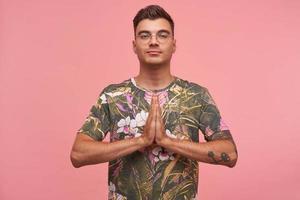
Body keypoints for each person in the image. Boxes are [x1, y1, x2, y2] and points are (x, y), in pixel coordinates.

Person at [70, 4, 238, 200]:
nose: (153, 42)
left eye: (162, 35)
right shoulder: (113, 96)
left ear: (173, 44)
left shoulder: (196, 96)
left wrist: (168, 142)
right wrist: (141, 141)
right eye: (144, 35)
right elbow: (78, 154)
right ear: (134, 45)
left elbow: (230, 154)